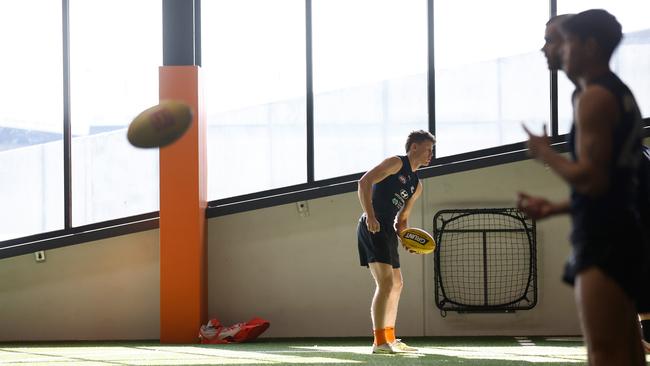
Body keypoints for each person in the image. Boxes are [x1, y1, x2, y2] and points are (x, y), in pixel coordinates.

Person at [518, 9, 648, 365]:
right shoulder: (610, 93)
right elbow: (611, 184)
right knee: (628, 350)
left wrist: (545, 153)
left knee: (603, 353)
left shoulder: (595, 98)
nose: (555, 50)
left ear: (588, 46)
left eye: (562, 41)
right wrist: (556, 207)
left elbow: (593, 179)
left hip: (604, 238)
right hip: (618, 231)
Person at [357, 129, 434, 354]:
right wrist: (370, 216)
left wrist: (408, 240)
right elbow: (364, 182)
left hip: (388, 231)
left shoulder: (416, 185)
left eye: (432, 150)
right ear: (414, 147)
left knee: (397, 284)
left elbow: (403, 220)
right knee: (386, 284)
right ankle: (379, 342)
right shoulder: (395, 163)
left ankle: (390, 338)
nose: (431, 154)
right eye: (428, 149)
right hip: (372, 225)